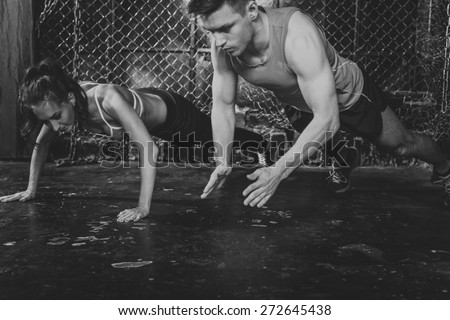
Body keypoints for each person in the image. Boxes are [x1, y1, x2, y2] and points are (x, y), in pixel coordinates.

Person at [187, 0, 450, 207]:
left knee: (401, 146)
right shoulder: (221, 46)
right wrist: (222, 160)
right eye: (210, 31)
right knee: (323, 137)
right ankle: (343, 159)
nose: (218, 40)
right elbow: (222, 103)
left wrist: (277, 171)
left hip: (350, 97)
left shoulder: (296, 35)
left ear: (252, 10)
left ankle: (445, 167)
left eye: (225, 28)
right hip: (300, 103)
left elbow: (328, 118)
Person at [0, 58, 270, 222]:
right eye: (47, 121)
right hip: (148, 112)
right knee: (193, 153)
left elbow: (147, 148)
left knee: (210, 144)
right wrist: (30, 189)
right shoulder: (64, 103)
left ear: (70, 99)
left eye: (56, 117)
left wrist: (143, 206)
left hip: (175, 115)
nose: (54, 126)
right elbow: (41, 143)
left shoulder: (108, 99)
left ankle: (256, 142)